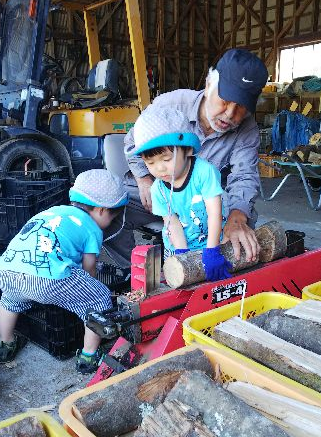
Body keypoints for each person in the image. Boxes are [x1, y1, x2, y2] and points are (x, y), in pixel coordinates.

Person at [104, 48, 268, 267]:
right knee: (107, 208)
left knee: (243, 224)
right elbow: (133, 142)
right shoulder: (169, 106)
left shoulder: (247, 130)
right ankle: (136, 272)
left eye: (241, 107)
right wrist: (144, 179)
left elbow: (244, 177)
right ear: (209, 84)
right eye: (225, 100)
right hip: (158, 191)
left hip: (202, 202)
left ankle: (201, 271)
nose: (230, 114)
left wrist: (237, 219)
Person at [0, 169, 129, 373]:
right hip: (47, 277)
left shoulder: (55, 211)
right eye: (112, 218)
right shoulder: (92, 228)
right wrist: (91, 288)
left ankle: (5, 344)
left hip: (8, 269)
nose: (109, 224)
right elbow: (88, 269)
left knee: (10, 300)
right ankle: (89, 356)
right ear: (102, 210)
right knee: (97, 298)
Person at [130, 105, 232, 281]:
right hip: (178, 245)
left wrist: (212, 251)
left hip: (212, 240)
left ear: (188, 150)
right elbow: (172, 223)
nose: (160, 168)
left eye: (166, 159)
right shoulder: (158, 189)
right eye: (151, 163)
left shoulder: (204, 172)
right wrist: (182, 256)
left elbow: (214, 213)